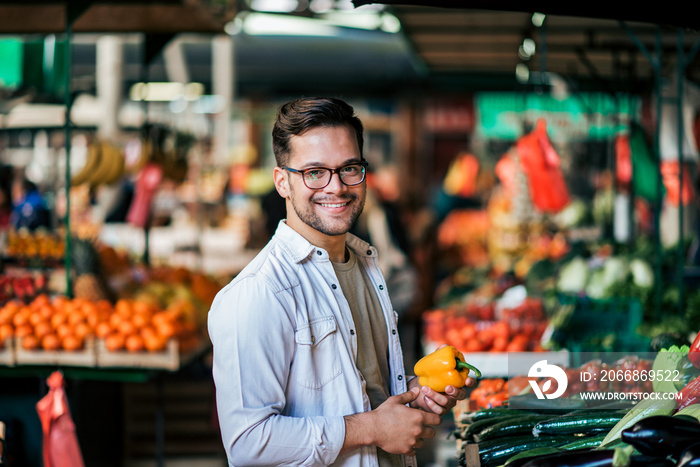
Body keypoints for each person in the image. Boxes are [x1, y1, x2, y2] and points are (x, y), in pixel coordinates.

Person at [208, 97, 474, 467]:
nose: (336, 187)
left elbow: (366, 395)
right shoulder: (258, 292)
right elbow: (248, 442)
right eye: (314, 172)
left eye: (349, 168)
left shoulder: (365, 265)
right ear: (282, 182)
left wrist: (413, 397)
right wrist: (372, 429)